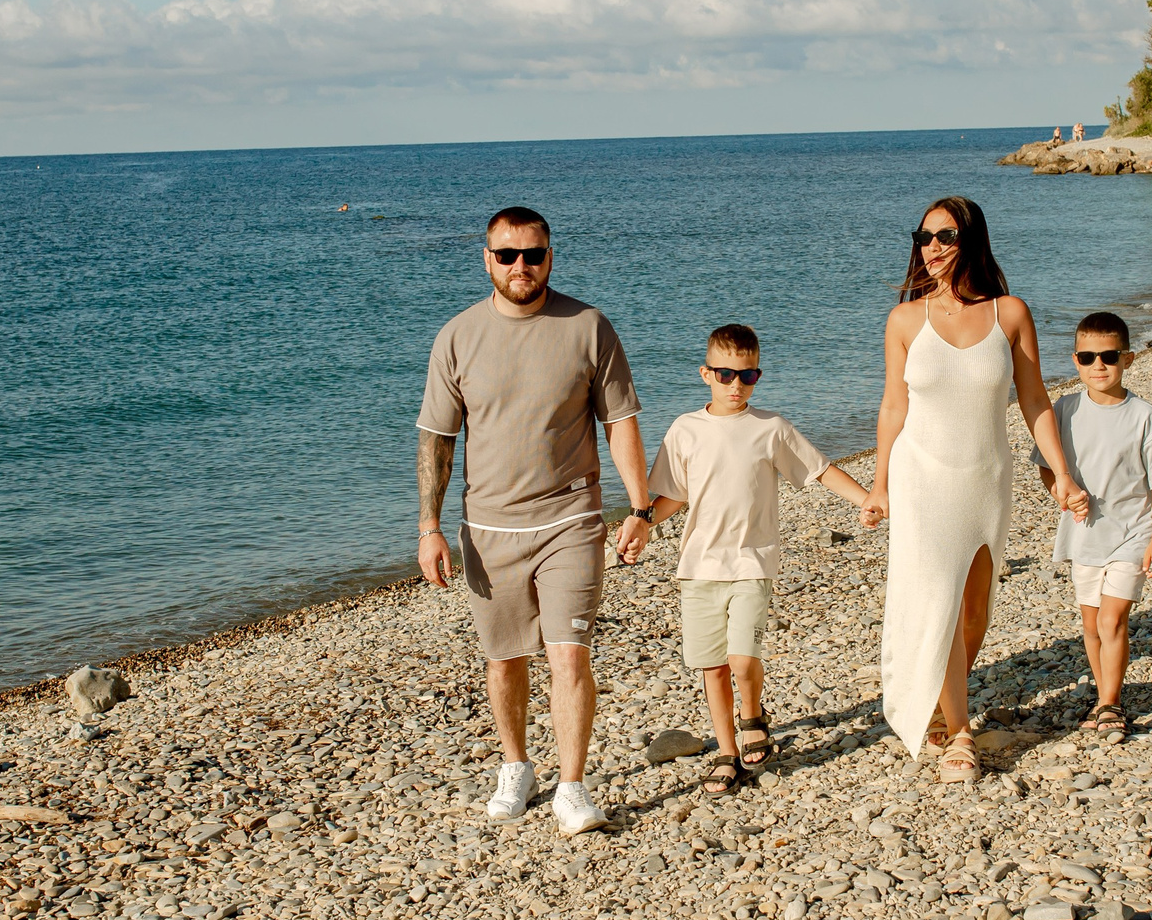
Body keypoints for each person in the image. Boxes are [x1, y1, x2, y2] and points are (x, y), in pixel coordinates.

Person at [417, 206, 653, 836]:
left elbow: (620, 421)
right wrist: (428, 528)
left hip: (571, 521)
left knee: (569, 655)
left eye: (533, 254)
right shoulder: (457, 337)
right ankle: (516, 765)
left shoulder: (588, 326)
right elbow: (438, 439)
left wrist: (639, 508)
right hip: (488, 530)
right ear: (487, 259)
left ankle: (571, 788)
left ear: (550, 257)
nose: (520, 265)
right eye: (507, 255)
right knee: (504, 659)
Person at [859, 197, 1089, 782]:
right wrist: (879, 486)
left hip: (986, 479)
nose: (932, 248)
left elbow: (1034, 399)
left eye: (945, 236)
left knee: (974, 612)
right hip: (921, 480)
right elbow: (892, 407)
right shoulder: (904, 320)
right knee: (938, 600)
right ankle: (960, 732)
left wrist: (1062, 472)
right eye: (924, 237)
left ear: (972, 239)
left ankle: (943, 694)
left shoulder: (1009, 313)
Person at [642, 323, 873, 797]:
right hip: (699, 566)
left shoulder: (771, 428)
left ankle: (752, 716)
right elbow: (672, 496)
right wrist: (640, 522)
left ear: (757, 376)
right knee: (713, 667)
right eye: (725, 374)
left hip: (752, 561)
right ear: (705, 373)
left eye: (747, 376)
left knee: (742, 660)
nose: (736, 385)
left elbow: (820, 469)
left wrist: (866, 499)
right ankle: (726, 753)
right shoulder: (685, 429)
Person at [1036, 311, 1152, 741]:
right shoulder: (1065, 409)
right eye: (1087, 357)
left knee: (1112, 621)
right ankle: (1102, 697)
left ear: (1128, 359)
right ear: (1075, 361)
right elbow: (1046, 465)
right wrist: (1062, 494)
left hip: (1133, 533)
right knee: (1091, 624)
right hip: (1083, 535)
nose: (1098, 365)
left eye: (1109, 356)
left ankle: (1112, 704)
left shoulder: (1144, 416)